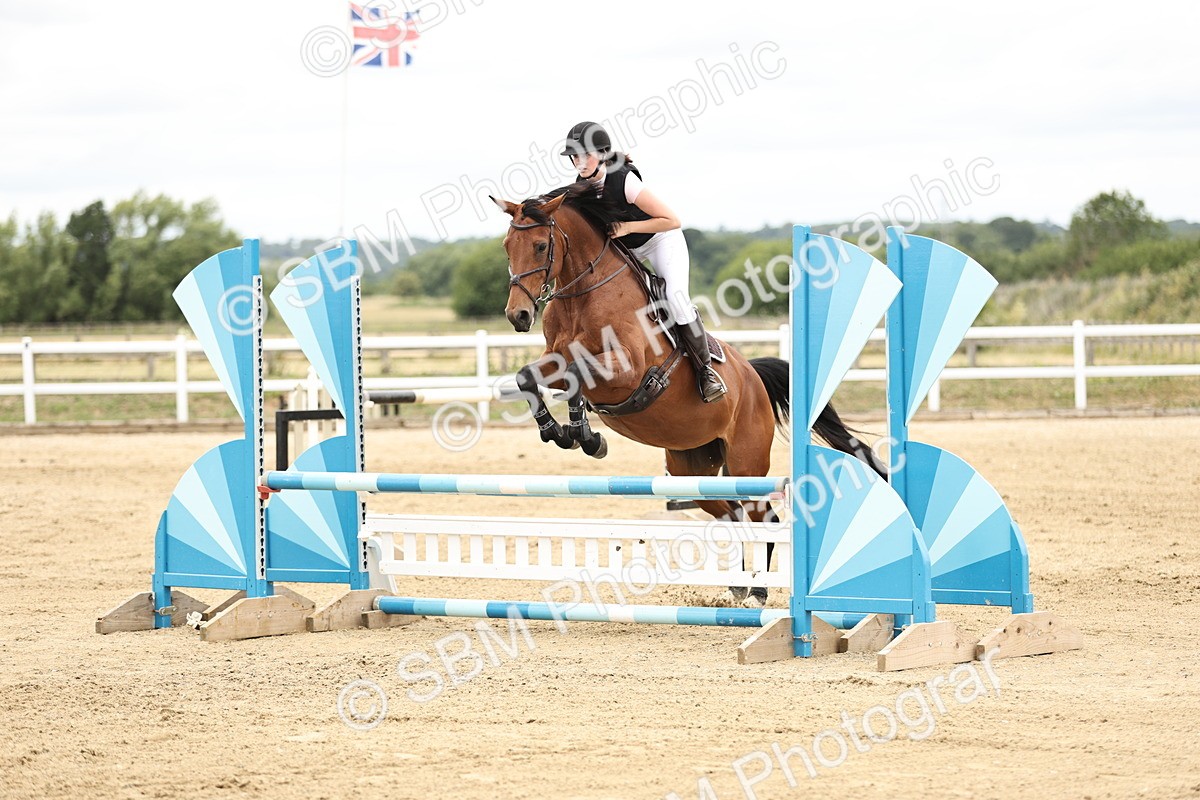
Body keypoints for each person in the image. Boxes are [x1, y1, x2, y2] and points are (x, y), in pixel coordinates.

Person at [558, 120, 726, 403]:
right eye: (574, 156)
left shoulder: (624, 180)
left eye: (585, 154)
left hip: (661, 240)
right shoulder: (582, 186)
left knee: (674, 296)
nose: (579, 162)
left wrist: (627, 227)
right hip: (628, 249)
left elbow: (671, 220)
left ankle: (705, 371)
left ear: (601, 154)